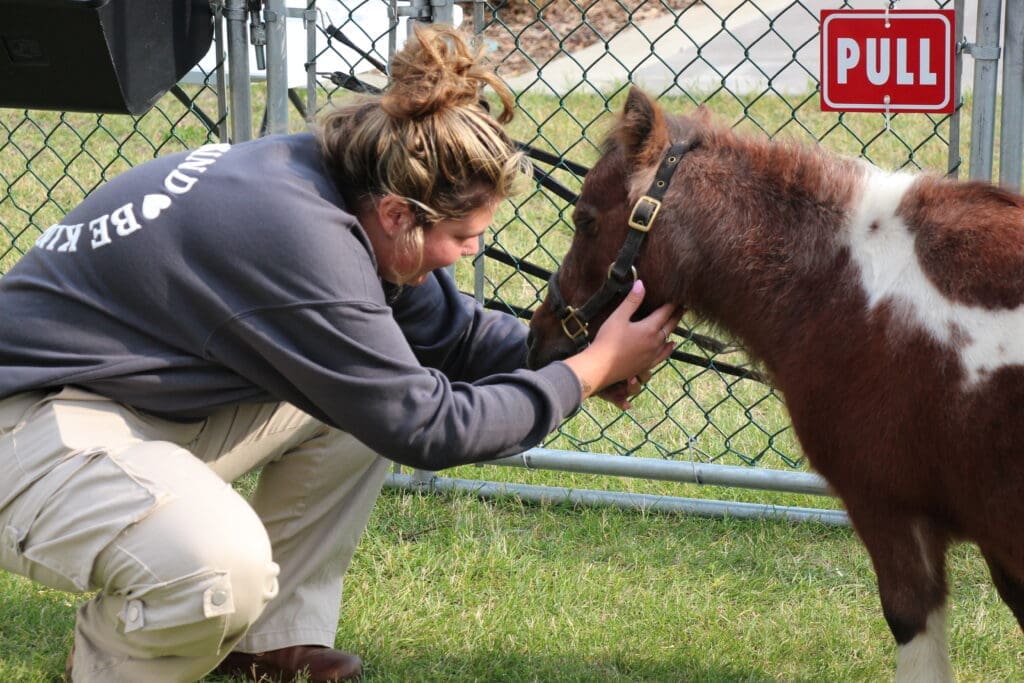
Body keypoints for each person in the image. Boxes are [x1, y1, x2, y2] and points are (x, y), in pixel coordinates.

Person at [0, 25, 681, 683]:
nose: (470, 251)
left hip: (113, 405)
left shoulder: (339, 181)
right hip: (26, 426)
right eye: (462, 236)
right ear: (397, 215)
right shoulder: (300, 240)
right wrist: (586, 372)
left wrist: (572, 351)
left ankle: (264, 640)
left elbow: (450, 338)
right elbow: (427, 426)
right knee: (216, 565)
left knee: (363, 396)